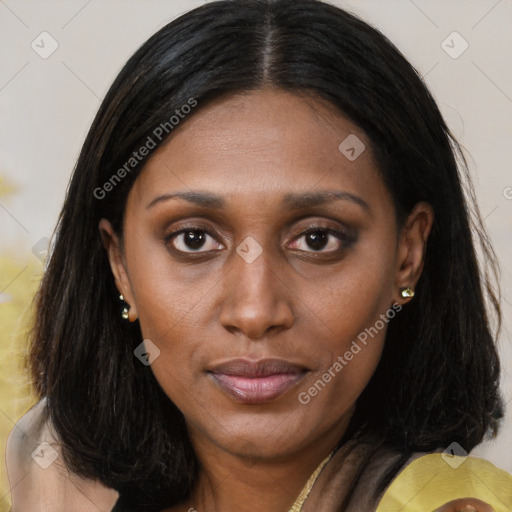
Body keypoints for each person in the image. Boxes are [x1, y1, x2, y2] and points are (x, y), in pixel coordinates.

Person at [6, 0, 512, 511]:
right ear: (121, 267)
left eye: (318, 239)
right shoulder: (44, 490)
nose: (254, 312)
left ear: (407, 254)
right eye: (194, 239)